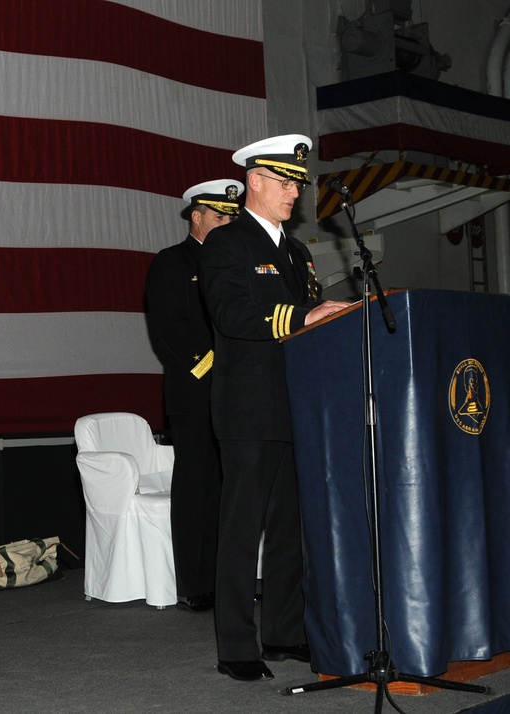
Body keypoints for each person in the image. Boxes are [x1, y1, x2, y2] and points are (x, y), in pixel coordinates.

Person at [197, 134, 349, 682]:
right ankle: (236, 645)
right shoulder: (227, 243)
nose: (294, 193)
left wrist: (330, 317)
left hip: (295, 404)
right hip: (247, 405)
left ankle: (284, 632)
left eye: (298, 185)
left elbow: (308, 317)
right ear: (254, 182)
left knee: (291, 526)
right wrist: (303, 316)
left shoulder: (299, 251)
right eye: (285, 183)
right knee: (243, 528)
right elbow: (233, 315)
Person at [144, 179, 243, 613]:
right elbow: (169, 330)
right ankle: (195, 583)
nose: (225, 224)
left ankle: (229, 580)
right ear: (196, 217)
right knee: (197, 484)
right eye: (219, 217)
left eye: (231, 218)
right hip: (196, 390)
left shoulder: (234, 265)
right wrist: (213, 367)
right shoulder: (172, 262)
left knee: (231, 487)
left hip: (239, 391)